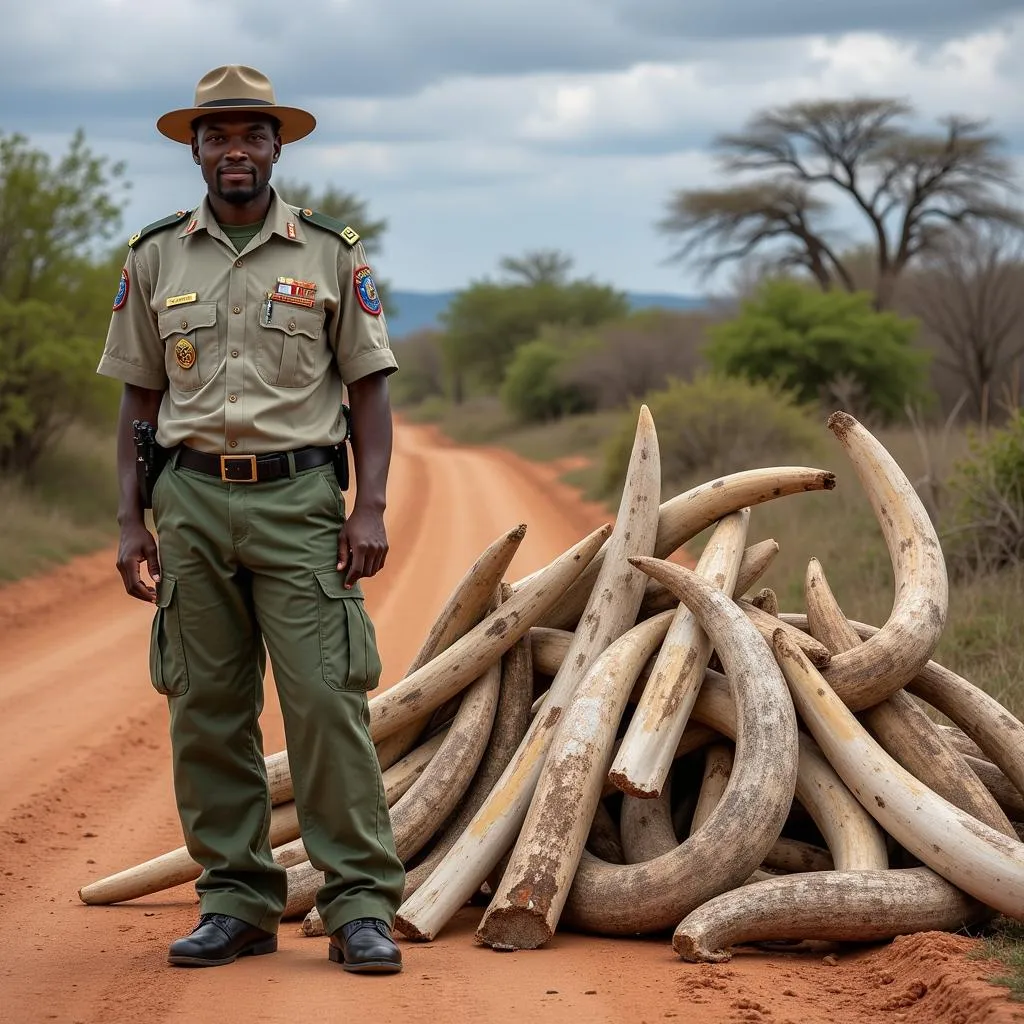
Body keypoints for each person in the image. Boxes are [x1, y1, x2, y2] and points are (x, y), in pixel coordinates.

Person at [96, 65, 405, 974]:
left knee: (324, 702)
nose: (236, 150)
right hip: (188, 502)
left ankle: (358, 905)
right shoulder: (155, 257)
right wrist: (129, 519)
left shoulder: (328, 254)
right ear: (194, 150)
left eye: (253, 135)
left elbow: (370, 389)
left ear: (279, 147)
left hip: (300, 502)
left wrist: (371, 505)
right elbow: (138, 402)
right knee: (205, 707)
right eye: (217, 136)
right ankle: (235, 900)